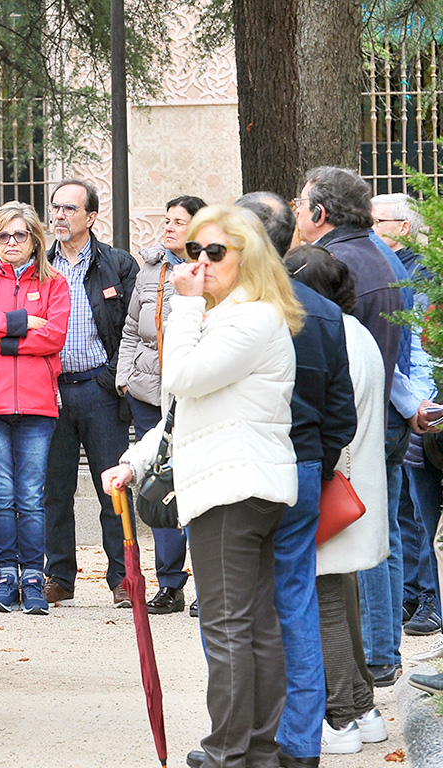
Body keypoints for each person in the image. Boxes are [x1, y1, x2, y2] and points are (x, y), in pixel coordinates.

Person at [104, 205, 305, 768]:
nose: (202, 262)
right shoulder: (231, 316)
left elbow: (181, 378)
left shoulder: (250, 319)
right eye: (195, 251)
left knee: (229, 624)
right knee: (251, 622)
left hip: (234, 488)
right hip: (237, 482)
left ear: (250, 257)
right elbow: (183, 412)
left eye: (216, 252)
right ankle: (255, 748)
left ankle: (230, 749)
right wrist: (135, 460)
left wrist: (185, 305)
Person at [238, 191, 357, 766]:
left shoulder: (237, 305)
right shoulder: (324, 311)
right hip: (305, 467)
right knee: (295, 602)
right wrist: (319, 462)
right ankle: (298, 741)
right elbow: (342, 415)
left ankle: (245, 740)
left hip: (253, 470)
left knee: (238, 610)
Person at [296, 166, 407, 686]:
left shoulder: (336, 262)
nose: (297, 215)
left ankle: (377, 657)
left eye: (301, 205)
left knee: (357, 541)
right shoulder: (379, 252)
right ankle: (384, 648)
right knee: (381, 533)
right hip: (383, 412)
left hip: (356, 424)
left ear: (319, 213)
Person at [284, 244, 390, 757]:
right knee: (339, 598)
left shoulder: (325, 333)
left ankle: (342, 715)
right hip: (352, 486)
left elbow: (330, 418)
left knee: (323, 601)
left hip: (330, 486)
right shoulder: (356, 332)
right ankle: (363, 706)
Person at [0, 202, 70, 614]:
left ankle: (33, 577)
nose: (12, 242)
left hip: (38, 404)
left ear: (34, 240)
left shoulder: (55, 283)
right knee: (2, 494)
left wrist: (2, 330)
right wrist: (26, 321)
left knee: (30, 495)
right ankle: (5, 576)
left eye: (20, 235)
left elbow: (56, 337)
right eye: (4, 236)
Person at [43, 179, 139, 608]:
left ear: (91, 217)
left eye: (69, 209)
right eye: (55, 208)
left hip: (100, 390)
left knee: (112, 489)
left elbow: (132, 330)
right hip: (51, 391)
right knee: (55, 490)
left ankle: (123, 578)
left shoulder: (117, 265)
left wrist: (113, 377)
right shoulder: (40, 266)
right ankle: (59, 577)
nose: (59, 216)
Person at [116, 194, 205, 615]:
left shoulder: (206, 273)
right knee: (159, 484)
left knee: (197, 487)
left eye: (178, 221)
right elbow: (131, 328)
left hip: (188, 393)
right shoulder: (149, 267)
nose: (168, 227)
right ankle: (170, 584)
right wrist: (125, 376)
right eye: (166, 220)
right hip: (146, 392)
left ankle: (208, 584)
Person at [371, 192, 442, 638]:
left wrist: (423, 404)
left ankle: (429, 600)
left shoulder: (424, 274)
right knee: (405, 508)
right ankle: (413, 595)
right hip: (410, 405)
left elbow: (422, 347)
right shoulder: (390, 269)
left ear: (401, 227)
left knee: (421, 512)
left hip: (424, 405)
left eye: (377, 221)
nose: (371, 228)